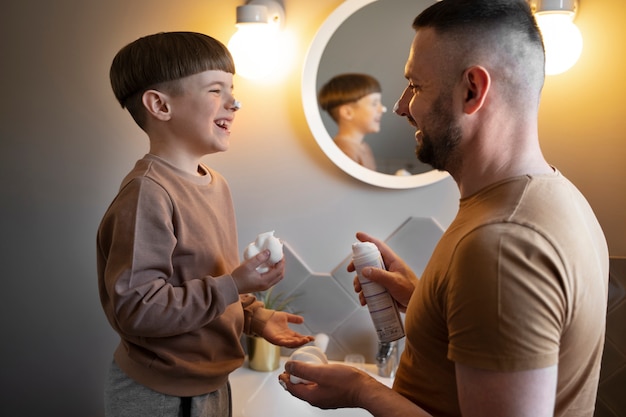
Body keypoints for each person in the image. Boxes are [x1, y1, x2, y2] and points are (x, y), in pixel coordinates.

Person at [280, 1, 609, 416]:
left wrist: (361, 392)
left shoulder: (502, 244)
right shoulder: (557, 198)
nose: (402, 107)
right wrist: (424, 302)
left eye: (415, 86)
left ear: (472, 89)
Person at [97, 31, 313, 417]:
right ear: (160, 105)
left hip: (210, 384)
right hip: (160, 393)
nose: (236, 102)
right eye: (216, 90)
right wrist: (235, 285)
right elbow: (137, 311)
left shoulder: (216, 185)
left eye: (232, 90)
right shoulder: (149, 194)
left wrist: (255, 317)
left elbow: (205, 280)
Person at [318, 73, 387, 170]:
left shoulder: (364, 148)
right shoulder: (343, 152)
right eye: (374, 103)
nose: (382, 109)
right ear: (347, 112)